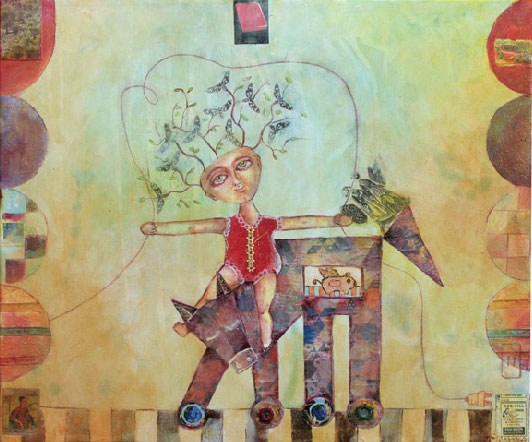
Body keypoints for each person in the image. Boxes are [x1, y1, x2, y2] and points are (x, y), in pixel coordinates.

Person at [141, 146, 352, 349]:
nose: (236, 181)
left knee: (263, 309)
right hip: (235, 268)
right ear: (212, 194)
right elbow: (193, 227)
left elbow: (302, 222)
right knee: (208, 295)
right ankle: (188, 327)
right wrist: (158, 228)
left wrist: (334, 220)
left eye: (242, 165)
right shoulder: (228, 224)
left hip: (265, 269)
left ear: (258, 166)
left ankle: (266, 345)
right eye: (220, 178)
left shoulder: (269, 222)